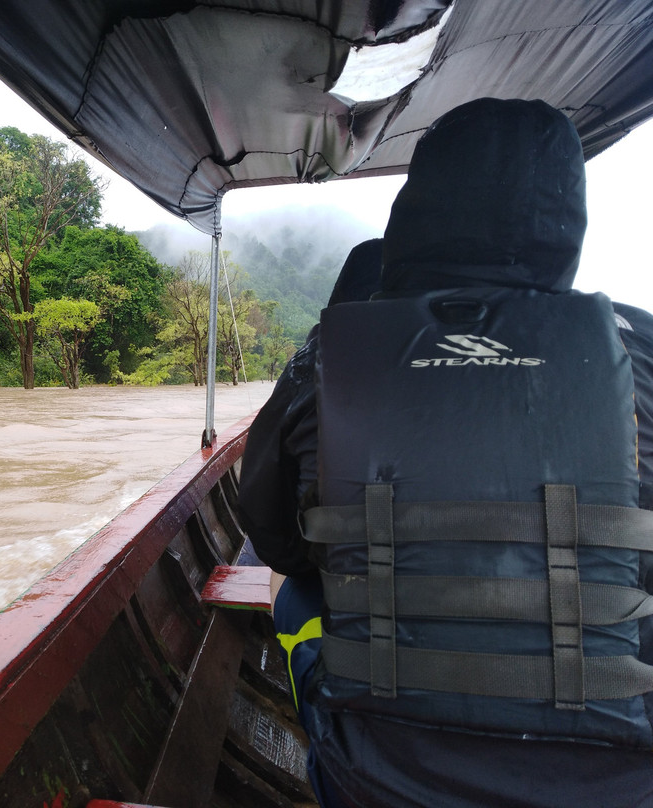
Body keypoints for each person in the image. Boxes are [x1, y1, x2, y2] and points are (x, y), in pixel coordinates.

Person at [239, 97, 653, 807]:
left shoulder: (331, 355)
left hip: (376, 774)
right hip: (619, 782)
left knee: (295, 587)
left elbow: (272, 536)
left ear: (417, 210)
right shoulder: (640, 352)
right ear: (566, 218)